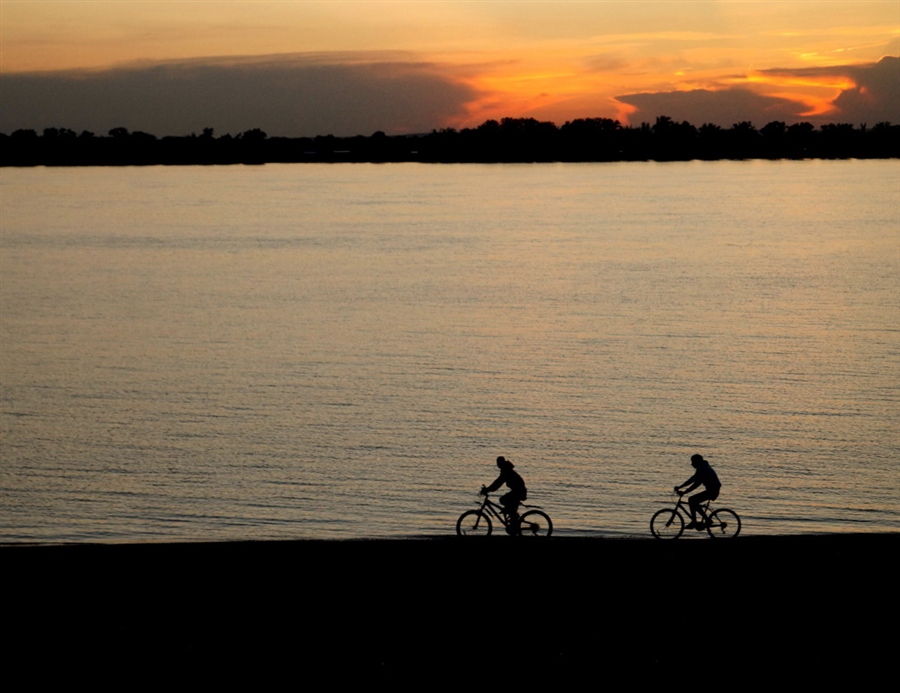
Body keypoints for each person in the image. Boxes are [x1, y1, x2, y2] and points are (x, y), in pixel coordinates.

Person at [675, 453, 722, 530]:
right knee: (694, 502)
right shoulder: (701, 468)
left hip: (712, 491)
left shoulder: (704, 470)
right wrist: (680, 486)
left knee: (692, 500)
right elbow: (692, 479)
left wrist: (685, 492)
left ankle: (695, 522)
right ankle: (704, 520)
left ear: (697, 462)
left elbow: (696, 484)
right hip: (711, 490)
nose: (692, 464)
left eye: (693, 462)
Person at [481, 456, 527, 530]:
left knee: (503, 500)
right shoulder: (506, 469)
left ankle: (514, 518)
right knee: (507, 503)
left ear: (501, 463)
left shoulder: (506, 471)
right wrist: (489, 489)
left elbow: (498, 483)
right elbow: (498, 482)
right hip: (518, 491)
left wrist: (487, 490)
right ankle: (513, 520)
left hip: (519, 492)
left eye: (498, 463)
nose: (498, 465)